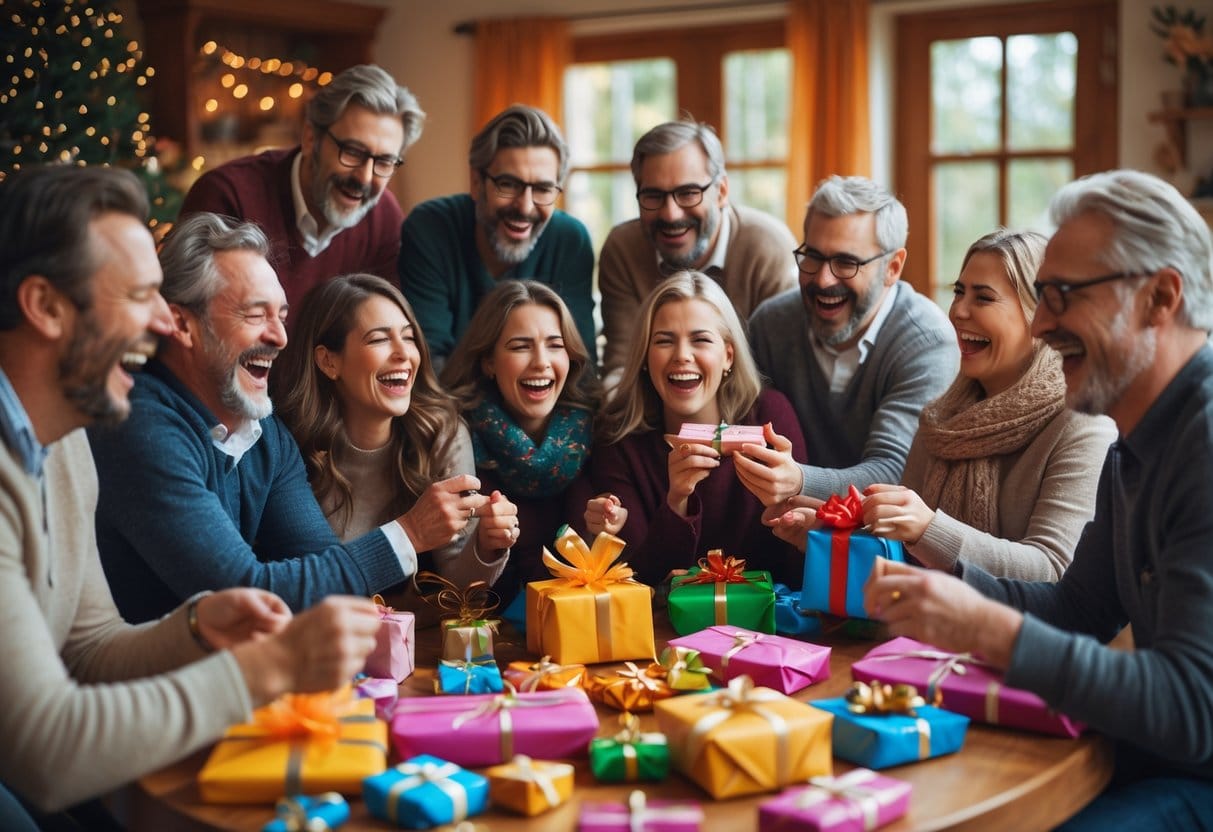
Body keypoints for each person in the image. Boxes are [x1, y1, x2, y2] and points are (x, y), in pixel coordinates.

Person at [0, 164, 381, 820]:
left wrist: (196, 625)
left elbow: (88, 648)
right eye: (137, 296)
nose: (161, 323)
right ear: (46, 307)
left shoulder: (65, 442)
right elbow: (48, 750)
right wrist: (269, 668)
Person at [863, 170, 1213, 829]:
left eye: (1059, 295)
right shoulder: (1133, 438)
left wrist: (987, 628)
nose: (1041, 323)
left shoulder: (1203, 442)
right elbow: (1079, 607)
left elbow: (1192, 708)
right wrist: (953, 589)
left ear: (1159, 297)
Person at [87, 213, 496, 623]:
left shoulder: (266, 435)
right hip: (144, 683)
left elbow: (322, 572)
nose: (280, 337)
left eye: (280, 316)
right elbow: (244, 593)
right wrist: (409, 533)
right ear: (182, 325)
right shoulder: (140, 425)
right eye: (254, 315)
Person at [769, 229, 1116, 580]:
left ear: (1037, 316)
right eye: (959, 292)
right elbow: (902, 555)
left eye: (983, 298)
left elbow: (1054, 570)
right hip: (922, 629)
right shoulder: (939, 420)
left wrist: (928, 528)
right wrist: (826, 534)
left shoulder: (1083, 425)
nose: (958, 312)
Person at [271, 273, 518, 586]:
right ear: (328, 361)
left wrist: (486, 546)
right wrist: (411, 529)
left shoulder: (442, 433)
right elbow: (314, 581)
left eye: (409, 337)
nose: (404, 354)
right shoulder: (287, 443)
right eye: (379, 339)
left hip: (415, 631)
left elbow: (460, 587)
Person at [744, 175, 958, 503]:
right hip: (778, 527)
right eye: (812, 256)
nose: (824, 279)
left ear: (893, 267)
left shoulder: (927, 342)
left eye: (847, 262)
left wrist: (799, 480)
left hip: (880, 539)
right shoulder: (770, 325)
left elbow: (894, 471)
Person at [585, 271, 807, 587]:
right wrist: (676, 501)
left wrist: (791, 502)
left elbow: (798, 570)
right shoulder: (619, 439)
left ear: (728, 355)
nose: (682, 356)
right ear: (646, 357)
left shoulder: (770, 417)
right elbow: (639, 582)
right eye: (664, 340)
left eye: (700, 339)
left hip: (765, 625)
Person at [180, 64, 424, 311]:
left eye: (384, 161)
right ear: (310, 138)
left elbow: (382, 328)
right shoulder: (227, 197)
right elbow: (201, 328)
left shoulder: (383, 217)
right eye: (352, 152)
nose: (364, 178)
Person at [598, 120, 797, 385]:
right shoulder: (623, 248)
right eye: (653, 196)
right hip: (654, 413)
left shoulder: (767, 246)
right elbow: (621, 367)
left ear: (722, 191)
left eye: (689, 193)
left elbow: (779, 375)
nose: (671, 214)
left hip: (749, 414)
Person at [398, 105, 597, 368]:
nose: (525, 207)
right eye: (508, 184)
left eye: (543, 189)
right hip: (449, 406)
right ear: (477, 182)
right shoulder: (431, 229)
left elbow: (580, 364)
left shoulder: (570, 241)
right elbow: (427, 363)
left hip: (545, 405)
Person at [441, 280, 601, 608]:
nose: (541, 361)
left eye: (555, 345)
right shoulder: (456, 438)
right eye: (520, 346)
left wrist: (605, 533)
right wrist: (485, 549)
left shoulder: (600, 431)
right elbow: (454, 587)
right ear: (488, 361)